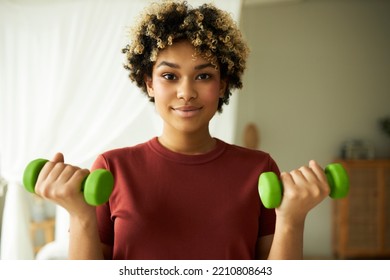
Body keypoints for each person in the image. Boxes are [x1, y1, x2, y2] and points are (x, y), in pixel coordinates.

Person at [35, 0, 330, 260]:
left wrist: (292, 219)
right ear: (149, 83)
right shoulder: (112, 167)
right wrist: (80, 215)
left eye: (203, 75)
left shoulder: (259, 168)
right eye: (169, 76)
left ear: (223, 84)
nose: (186, 92)